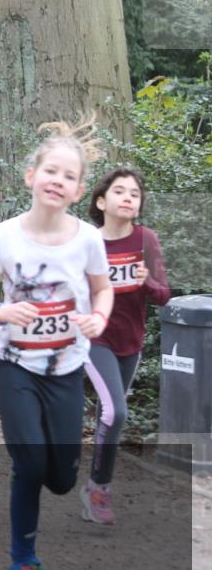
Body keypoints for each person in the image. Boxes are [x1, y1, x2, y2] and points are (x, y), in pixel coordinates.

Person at [0, 115, 113, 570]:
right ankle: (24, 563)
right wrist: (3, 311)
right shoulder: (4, 236)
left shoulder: (88, 240)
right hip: (16, 369)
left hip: (66, 370)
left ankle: (50, 474)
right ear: (31, 176)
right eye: (50, 170)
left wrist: (99, 317)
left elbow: (103, 291)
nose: (58, 180)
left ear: (78, 191)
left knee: (59, 478)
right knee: (30, 464)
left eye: (69, 176)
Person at [81, 168, 170, 524]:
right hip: (94, 338)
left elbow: (163, 296)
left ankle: (93, 488)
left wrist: (146, 282)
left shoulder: (146, 239)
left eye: (135, 193)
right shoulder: (87, 242)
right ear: (101, 201)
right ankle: (99, 491)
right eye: (120, 191)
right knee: (116, 412)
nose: (129, 197)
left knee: (111, 416)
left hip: (130, 341)